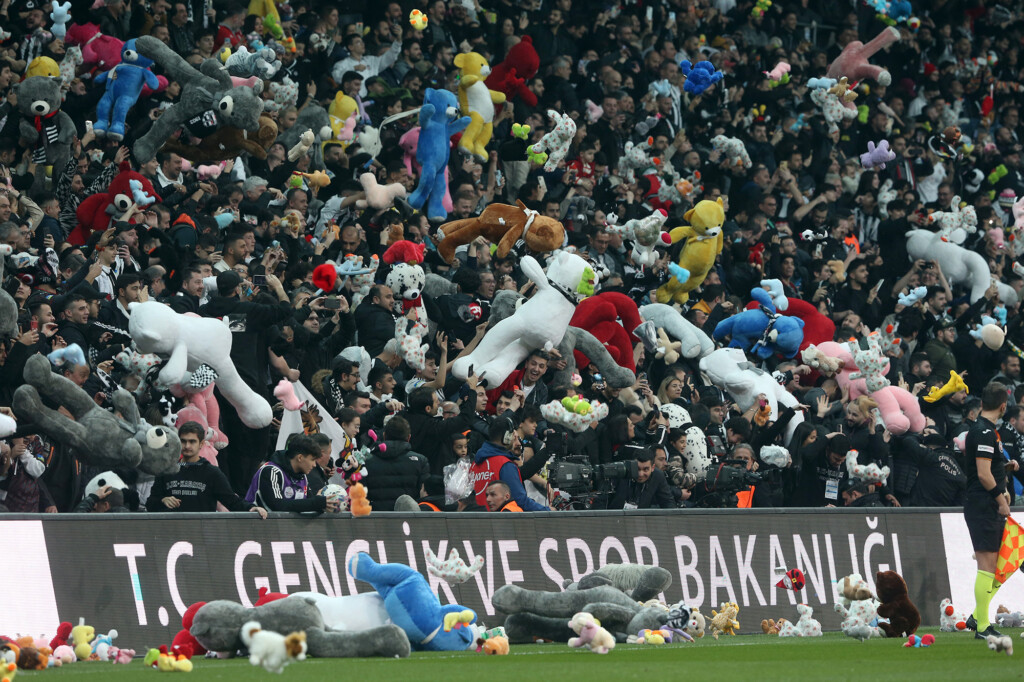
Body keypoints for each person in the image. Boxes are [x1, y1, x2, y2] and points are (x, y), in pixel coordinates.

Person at [963, 382, 1018, 640]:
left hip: (986, 504)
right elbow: (983, 475)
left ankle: (977, 616)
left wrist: (1004, 468)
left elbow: (986, 469)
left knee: (1000, 564)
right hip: (983, 504)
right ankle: (982, 627)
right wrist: (1001, 500)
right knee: (987, 566)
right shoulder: (984, 433)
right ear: (1004, 406)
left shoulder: (986, 431)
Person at [147, 421, 268, 516]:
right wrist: (162, 501)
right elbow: (150, 503)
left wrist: (251, 508)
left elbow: (232, 501)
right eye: (183, 441)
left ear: (201, 444)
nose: (187, 446)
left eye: (192, 441)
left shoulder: (212, 473)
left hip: (202, 535)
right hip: (171, 535)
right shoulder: (167, 470)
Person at [469, 415, 548, 511]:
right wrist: (548, 511)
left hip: (475, 521)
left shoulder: (474, 463)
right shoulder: (505, 465)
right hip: (499, 522)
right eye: (513, 436)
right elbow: (520, 501)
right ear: (506, 437)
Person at [245, 435, 340, 514]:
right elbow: (278, 505)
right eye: (312, 460)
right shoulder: (271, 471)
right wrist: (317, 502)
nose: (314, 465)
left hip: (287, 531)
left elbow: (309, 502)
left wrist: (323, 504)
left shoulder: (303, 477)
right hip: (258, 529)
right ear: (300, 457)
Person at [363, 415, 429, 511]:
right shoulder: (421, 461)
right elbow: (424, 494)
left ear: (384, 435)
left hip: (375, 519)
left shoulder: (366, 459)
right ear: (409, 437)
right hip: (408, 520)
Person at [607, 444, 675, 510]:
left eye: (645, 469)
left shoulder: (658, 476)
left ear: (653, 468)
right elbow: (602, 501)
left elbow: (668, 502)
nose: (640, 474)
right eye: (637, 469)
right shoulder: (619, 471)